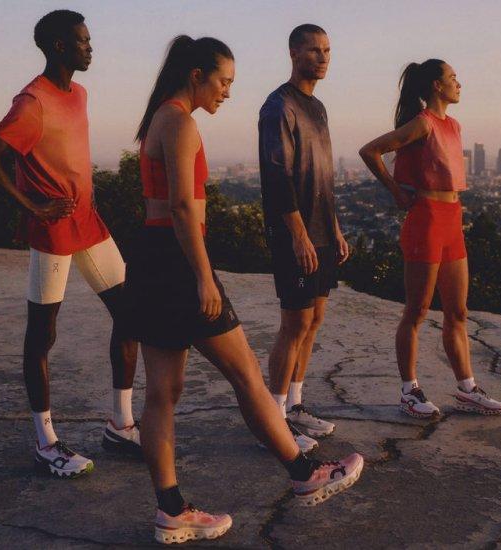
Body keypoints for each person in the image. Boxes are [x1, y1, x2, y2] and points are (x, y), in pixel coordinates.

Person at [130, 35, 363, 544]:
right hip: (176, 264)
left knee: (162, 395)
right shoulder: (182, 122)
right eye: (224, 82)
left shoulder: (158, 121)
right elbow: (185, 209)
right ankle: (305, 475)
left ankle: (171, 509)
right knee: (248, 378)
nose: (227, 93)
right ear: (197, 76)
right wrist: (203, 275)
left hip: (150, 260)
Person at [0, 10, 141, 478]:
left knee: (131, 316)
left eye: (90, 39)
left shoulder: (80, 93)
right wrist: (32, 206)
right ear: (59, 46)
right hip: (52, 232)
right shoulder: (32, 102)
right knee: (42, 336)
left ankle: (121, 424)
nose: (91, 47)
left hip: (90, 223)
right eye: (83, 41)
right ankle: (46, 442)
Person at [359, 59, 501, 418]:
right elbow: (370, 151)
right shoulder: (423, 123)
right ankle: (410, 392)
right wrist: (395, 191)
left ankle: (467, 388)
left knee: (457, 310)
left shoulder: (453, 125)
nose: (459, 83)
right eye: (453, 77)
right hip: (425, 219)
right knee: (417, 310)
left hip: (452, 220)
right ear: (436, 87)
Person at [258, 24, 349, 452]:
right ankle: (272, 422)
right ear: (294, 52)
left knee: (314, 321)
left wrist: (333, 228)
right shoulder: (279, 106)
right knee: (293, 324)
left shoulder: (319, 107)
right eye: (314, 50)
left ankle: (294, 406)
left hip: (321, 233)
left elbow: (323, 176)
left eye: (327, 50)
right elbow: (279, 179)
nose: (323, 57)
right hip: (295, 235)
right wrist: (298, 235)